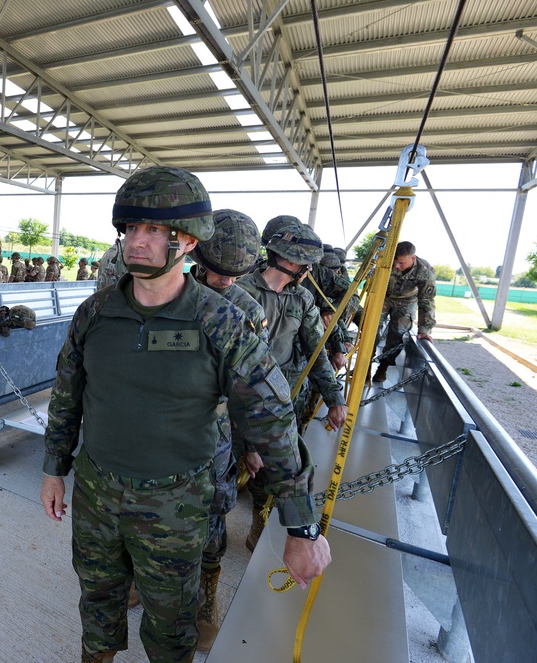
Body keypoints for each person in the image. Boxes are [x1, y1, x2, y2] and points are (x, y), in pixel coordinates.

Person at [41, 166, 330, 663]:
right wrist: (54, 469)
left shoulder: (223, 325)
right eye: (131, 228)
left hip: (176, 503)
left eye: (155, 230)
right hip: (96, 492)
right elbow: (67, 394)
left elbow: (274, 423)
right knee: (98, 598)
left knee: (172, 621)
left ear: (189, 242)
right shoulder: (95, 313)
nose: (137, 241)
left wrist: (301, 527)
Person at [186, 208, 271, 652]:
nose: (224, 281)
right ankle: (139, 581)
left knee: (213, 511)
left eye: (233, 274)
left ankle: (205, 602)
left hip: (215, 435)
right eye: (217, 272)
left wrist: (251, 446)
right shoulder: (163, 291)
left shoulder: (248, 311)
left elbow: (251, 390)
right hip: (157, 430)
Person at [235, 220, 348, 552]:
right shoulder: (240, 293)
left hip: (281, 401)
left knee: (270, 470)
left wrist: (334, 396)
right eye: (306, 261)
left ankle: (259, 517)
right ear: (292, 261)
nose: (309, 269)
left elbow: (317, 350)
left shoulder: (302, 299)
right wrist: (248, 442)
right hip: (239, 401)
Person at [373, 241, 436, 383]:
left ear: (413, 258)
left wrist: (425, 329)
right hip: (383, 297)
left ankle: (383, 367)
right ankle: (363, 367)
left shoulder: (425, 272)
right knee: (370, 330)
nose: (396, 266)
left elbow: (427, 301)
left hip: (406, 301)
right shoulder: (385, 261)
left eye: (401, 263)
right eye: (395, 262)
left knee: (397, 334)